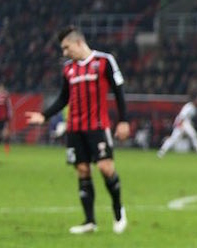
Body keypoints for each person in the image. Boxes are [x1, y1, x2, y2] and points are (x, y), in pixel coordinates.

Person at [25, 26, 130, 234]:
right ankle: (90, 221)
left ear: (79, 42)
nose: (65, 52)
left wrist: (123, 121)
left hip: (97, 127)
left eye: (67, 47)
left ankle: (119, 212)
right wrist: (44, 115)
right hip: (75, 128)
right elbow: (63, 98)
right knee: (82, 170)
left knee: (105, 168)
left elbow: (119, 91)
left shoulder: (104, 61)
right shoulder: (68, 69)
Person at [157, 92, 197, 157]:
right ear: (194, 99)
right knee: (174, 138)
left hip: (186, 123)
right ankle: (162, 151)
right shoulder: (189, 106)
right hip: (183, 123)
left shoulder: (194, 107)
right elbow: (182, 116)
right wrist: (179, 125)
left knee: (193, 135)